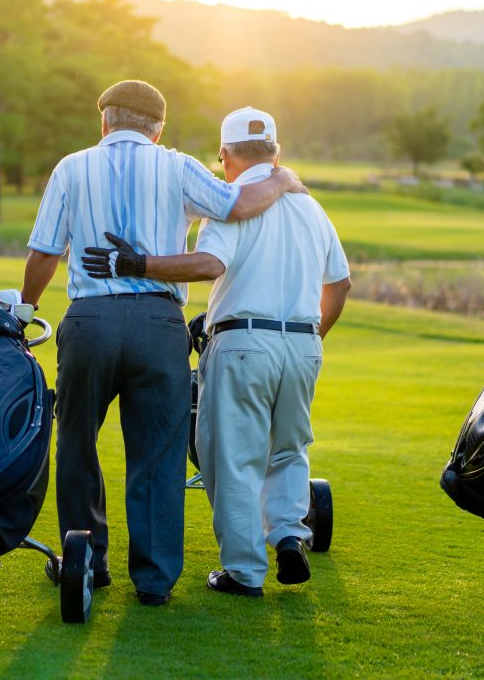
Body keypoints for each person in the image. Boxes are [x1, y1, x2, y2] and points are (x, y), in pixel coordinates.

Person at [21, 81, 305, 607]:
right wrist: (283, 178)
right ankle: (153, 581)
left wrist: (24, 311)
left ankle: (87, 561)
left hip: (90, 323)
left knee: (78, 441)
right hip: (158, 325)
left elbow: (44, 252)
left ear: (104, 122)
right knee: (158, 450)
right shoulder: (176, 166)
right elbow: (239, 205)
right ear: (158, 129)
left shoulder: (71, 167)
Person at [82, 107, 351, 598]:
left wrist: (136, 264)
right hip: (304, 344)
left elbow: (209, 264)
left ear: (225, 156)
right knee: (289, 448)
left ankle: (245, 573)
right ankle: (289, 533)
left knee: (231, 460)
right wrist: (314, 339)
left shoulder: (232, 205)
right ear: (276, 151)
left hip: (243, 343)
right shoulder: (313, 208)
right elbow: (340, 284)